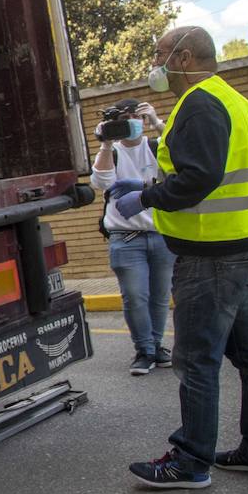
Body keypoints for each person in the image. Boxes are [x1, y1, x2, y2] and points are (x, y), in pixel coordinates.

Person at [107, 26, 248, 489]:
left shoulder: (199, 104)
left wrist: (145, 198)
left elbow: (199, 179)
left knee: (196, 360)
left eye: (159, 54)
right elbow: (211, 172)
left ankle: (190, 462)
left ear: (184, 58)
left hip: (212, 254)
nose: (155, 64)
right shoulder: (236, 102)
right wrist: (147, 185)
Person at [90, 99, 175, 376]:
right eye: (124, 118)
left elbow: (180, 169)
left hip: (161, 234)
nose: (130, 122)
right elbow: (101, 182)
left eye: (135, 117)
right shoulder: (113, 152)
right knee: (136, 296)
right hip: (126, 238)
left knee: (160, 297)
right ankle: (145, 350)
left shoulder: (156, 146)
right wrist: (105, 143)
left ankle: (156, 346)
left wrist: (158, 122)